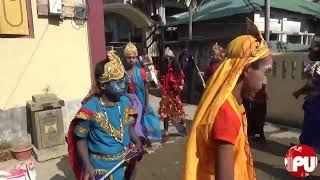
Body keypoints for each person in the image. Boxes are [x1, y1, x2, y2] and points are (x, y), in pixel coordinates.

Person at [183, 18, 273, 180]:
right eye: (265, 73)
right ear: (246, 70)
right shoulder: (227, 113)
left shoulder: (233, 105)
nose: (266, 82)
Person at [67, 51, 142, 180]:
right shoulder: (89, 110)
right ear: (103, 85)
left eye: (124, 80)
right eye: (118, 83)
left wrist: (137, 141)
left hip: (124, 162)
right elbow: (81, 139)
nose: (124, 85)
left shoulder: (125, 103)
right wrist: (88, 165)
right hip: (101, 169)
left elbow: (129, 127)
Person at [124, 42, 162, 142]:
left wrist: (146, 105)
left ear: (136, 58)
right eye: (129, 57)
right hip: (127, 102)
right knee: (128, 123)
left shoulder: (141, 72)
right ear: (125, 58)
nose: (131, 59)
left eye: (133, 57)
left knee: (138, 123)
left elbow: (146, 89)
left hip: (139, 102)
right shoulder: (123, 72)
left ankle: (139, 142)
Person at [292, 41, 320, 153]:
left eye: (311, 50)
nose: (309, 52)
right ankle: (305, 147)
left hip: (317, 104)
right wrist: (299, 92)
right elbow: (310, 85)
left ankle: (309, 148)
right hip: (312, 103)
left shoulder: (317, 66)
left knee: (313, 126)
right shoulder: (313, 66)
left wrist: (313, 94)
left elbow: (314, 86)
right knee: (308, 126)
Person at [159, 47, 187, 142]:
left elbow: (182, 80)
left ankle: (183, 126)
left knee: (178, 111)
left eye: (170, 58)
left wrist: (181, 86)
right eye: (166, 58)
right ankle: (166, 131)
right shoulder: (163, 70)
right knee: (165, 112)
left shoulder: (177, 69)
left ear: (173, 59)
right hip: (166, 94)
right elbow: (161, 82)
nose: (168, 60)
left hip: (175, 94)